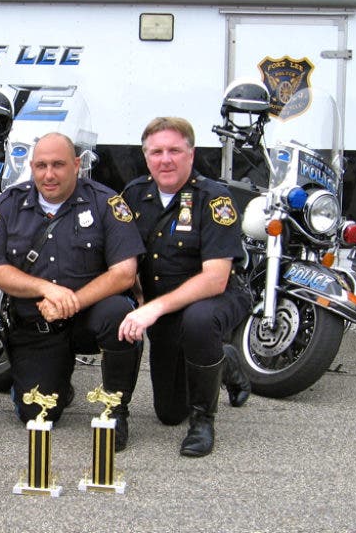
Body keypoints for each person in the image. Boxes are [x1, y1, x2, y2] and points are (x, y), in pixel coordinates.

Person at [0, 132, 143, 450]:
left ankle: (116, 411)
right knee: (37, 415)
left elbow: (124, 273)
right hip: (37, 325)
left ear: (77, 165)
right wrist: (46, 289)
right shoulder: (9, 203)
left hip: (88, 319)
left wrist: (73, 300)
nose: (48, 174)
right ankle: (55, 384)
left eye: (58, 165)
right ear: (31, 166)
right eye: (41, 166)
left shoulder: (106, 202)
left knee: (121, 315)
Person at [118, 116, 252, 458]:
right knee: (167, 413)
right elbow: (123, 258)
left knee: (200, 322)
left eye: (175, 150)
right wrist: (138, 297)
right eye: (157, 151)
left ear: (190, 155)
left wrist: (154, 307)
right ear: (146, 156)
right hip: (162, 309)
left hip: (215, 299)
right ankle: (226, 361)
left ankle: (203, 421)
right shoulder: (134, 195)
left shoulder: (214, 199)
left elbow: (215, 278)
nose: (166, 159)